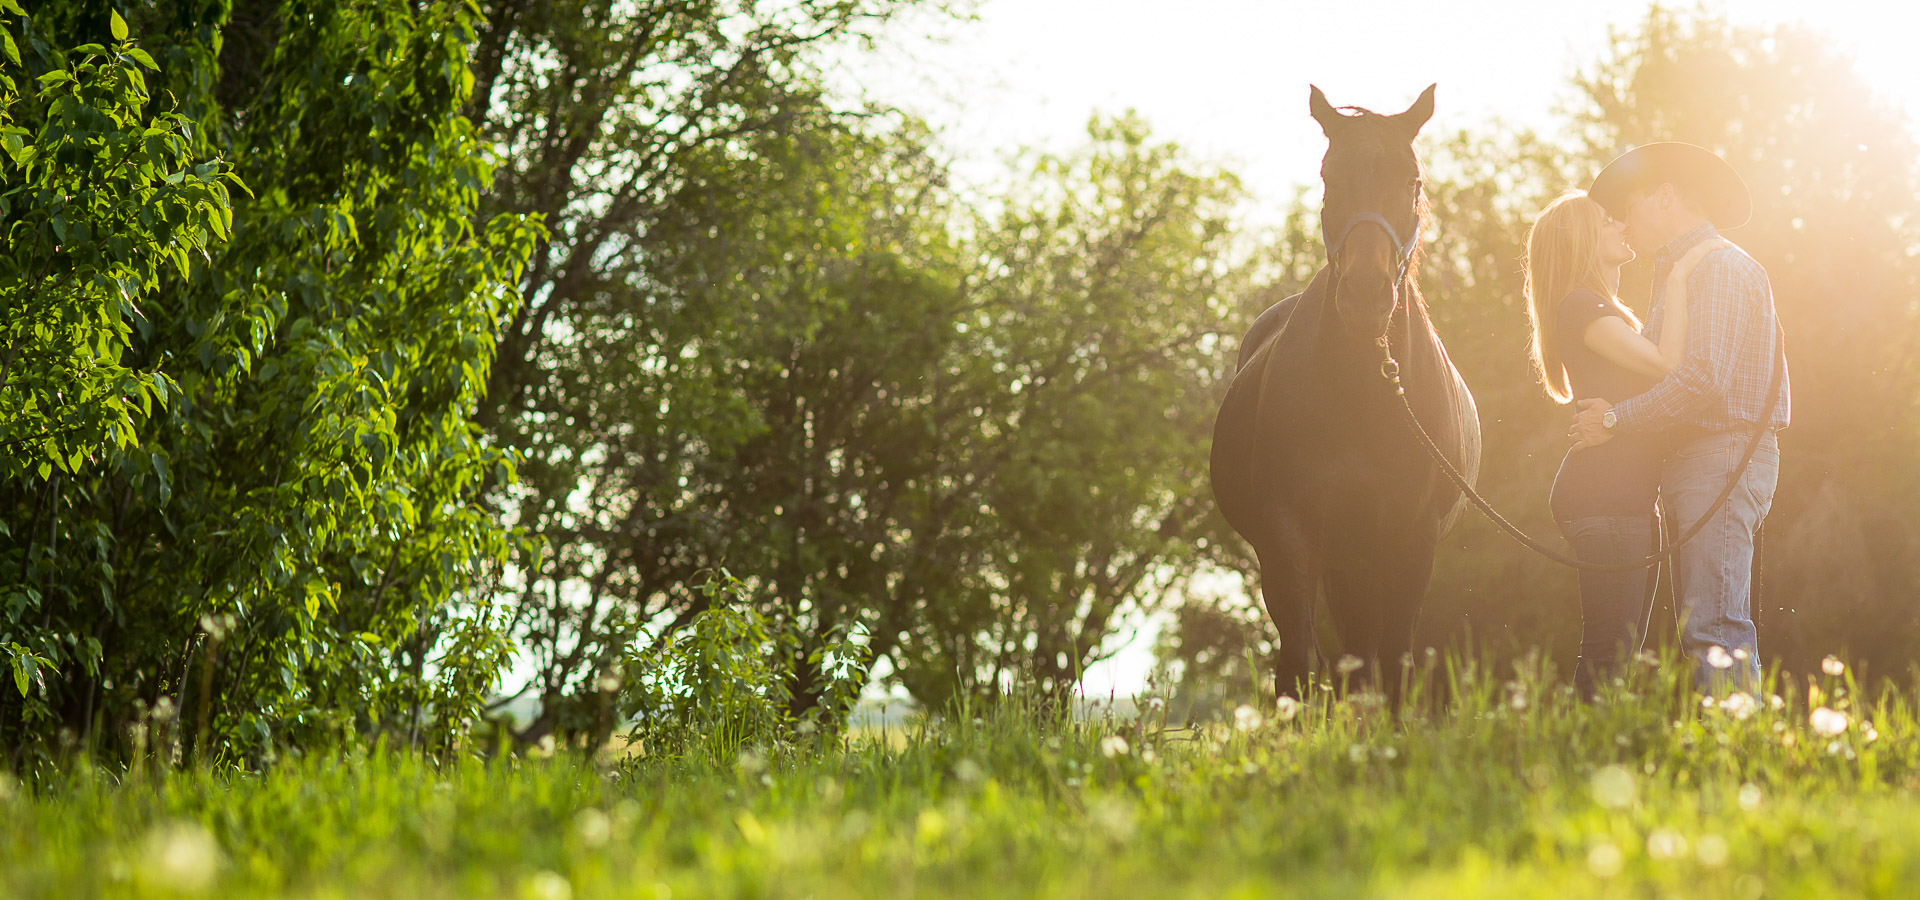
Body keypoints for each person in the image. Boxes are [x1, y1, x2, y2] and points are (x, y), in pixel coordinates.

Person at [1570, 143, 1791, 694]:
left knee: (1714, 624)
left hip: (1719, 453)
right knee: (1709, 619)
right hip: (1707, 457)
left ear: (1665, 197)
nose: (1622, 220)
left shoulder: (1715, 267)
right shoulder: (1689, 270)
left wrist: (1615, 421)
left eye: (1630, 204)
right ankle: (1729, 750)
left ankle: (1735, 758)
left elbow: (1700, 381)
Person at [1524, 190, 1727, 698]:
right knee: (1609, 650)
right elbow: (1666, 365)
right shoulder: (1581, 305)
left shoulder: (1598, 307)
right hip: (1604, 497)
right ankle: (1580, 761)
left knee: (1618, 649)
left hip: (1624, 499)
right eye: (1606, 221)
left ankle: (1593, 755)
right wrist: (1680, 277)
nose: (1620, 224)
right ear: (1581, 240)